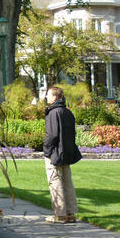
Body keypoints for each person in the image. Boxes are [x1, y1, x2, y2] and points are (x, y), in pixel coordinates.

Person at [42, 86, 82, 223]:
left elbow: (52, 135)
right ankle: (70, 214)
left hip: (55, 154)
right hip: (66, 153)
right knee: (67, 182)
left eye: (48, 95)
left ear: (55, 97)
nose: (46, 97)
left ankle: (60, 215)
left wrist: (46, 151)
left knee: (55, 181)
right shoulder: (67, 112)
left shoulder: (54, 112)